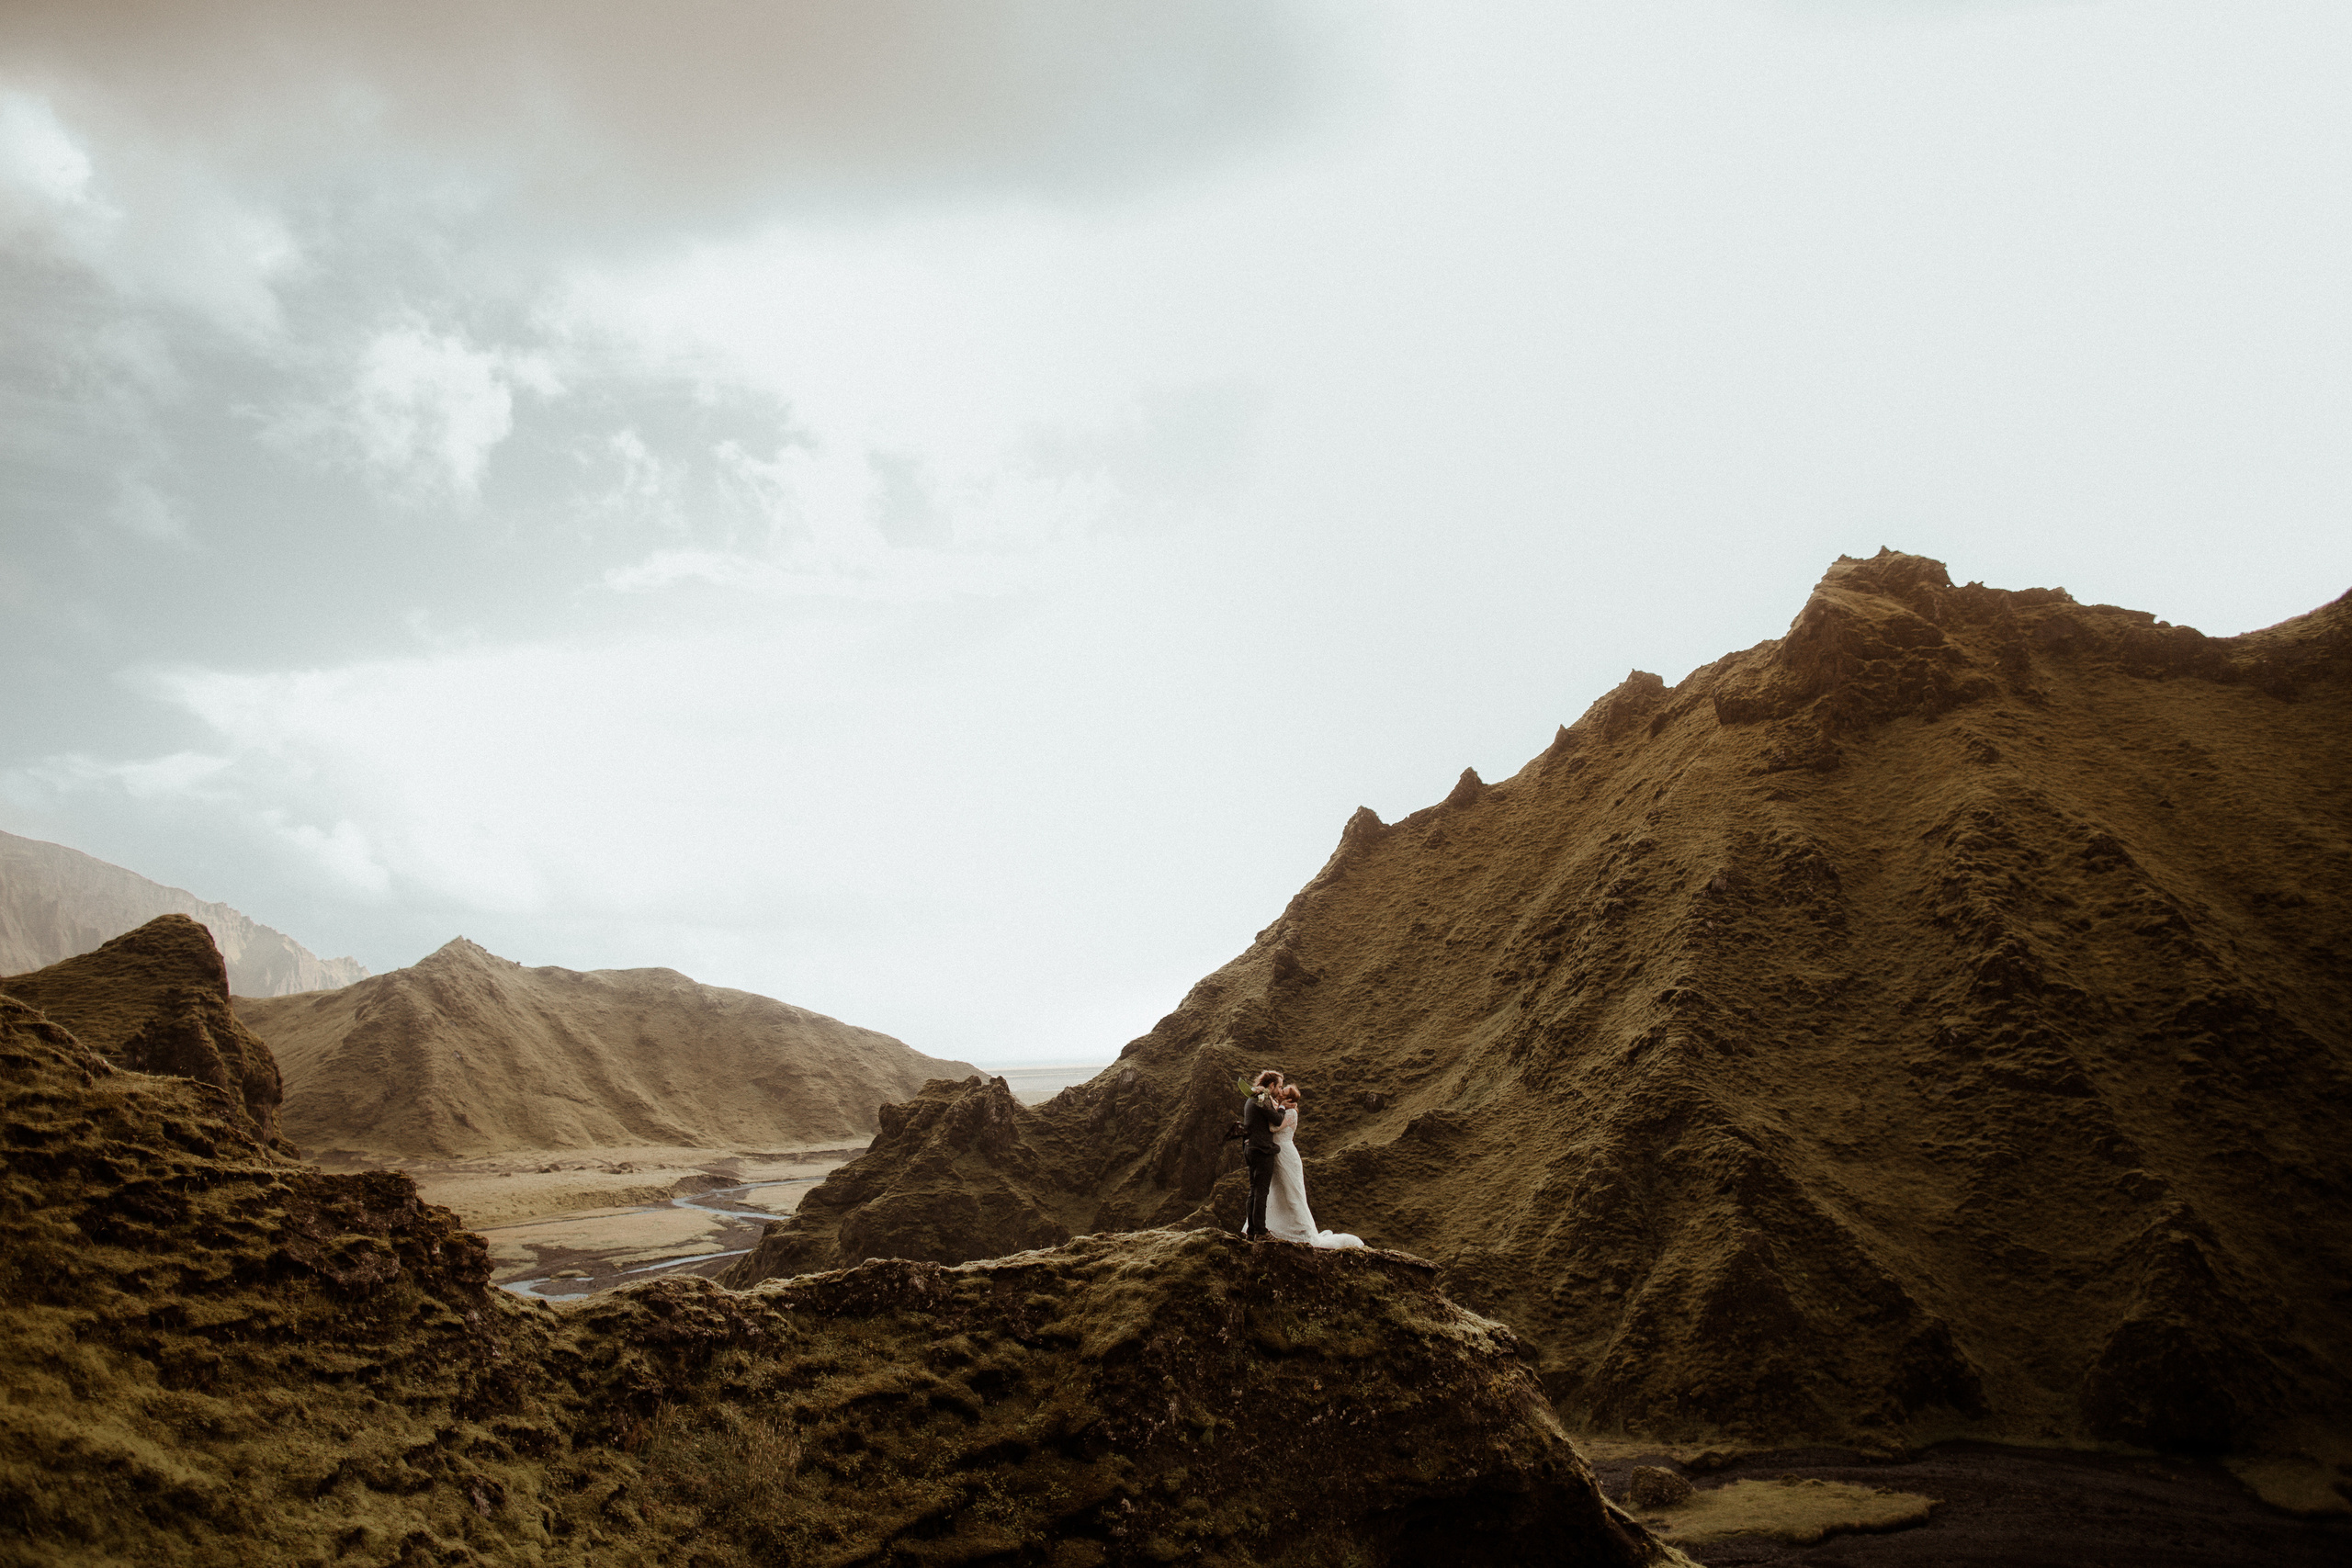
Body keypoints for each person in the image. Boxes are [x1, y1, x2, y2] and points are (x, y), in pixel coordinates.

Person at [1261, 1083, 1365, 1249]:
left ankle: (1301, 1231)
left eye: (1284, 1092)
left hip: (1287, 1155)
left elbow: (1273, 1128)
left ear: (1289, 1100)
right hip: (1277, 1154)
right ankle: (1275, 1227)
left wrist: (1278, 1107)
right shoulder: (1280, 1109)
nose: (1280, 1093)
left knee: (1293, 1194)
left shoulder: (1291, 1113)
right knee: (1277, 1191)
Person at [1240, 1068, 1287, 1240]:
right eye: (1279, 1086)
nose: (1280, 1090)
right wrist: (1281, 1107)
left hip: (1250, 1148)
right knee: (1261, 1191)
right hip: (1261, 1149)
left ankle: (1252, 1230)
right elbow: (1277, 1119)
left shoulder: (1251, 1098)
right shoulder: (1262, 1099)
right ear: (1271, 1085)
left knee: (1253, 1190)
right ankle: (1260, 1231)